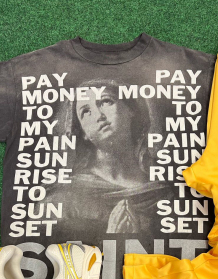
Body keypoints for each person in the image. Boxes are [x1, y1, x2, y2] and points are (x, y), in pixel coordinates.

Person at [45, 78, 174, 234]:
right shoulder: (62, 199)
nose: (99, 115)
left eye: (106, 102)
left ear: (130, 110)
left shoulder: (167, 190)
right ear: (83, 133)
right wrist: (113, 238)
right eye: (86, 112)